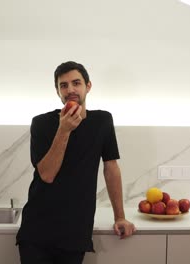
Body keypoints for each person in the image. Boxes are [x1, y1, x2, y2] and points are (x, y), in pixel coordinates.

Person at [16, 61, 136, 263]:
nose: (70, 89)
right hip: (37, 228)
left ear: (88, 86)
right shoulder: (42, 123)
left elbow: (111, 168)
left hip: (75, 230)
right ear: (57, 92)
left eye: (76, 83)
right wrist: (63, 130)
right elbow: (47, 174)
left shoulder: (102, 121)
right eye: (63, 85)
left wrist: (120, 217)